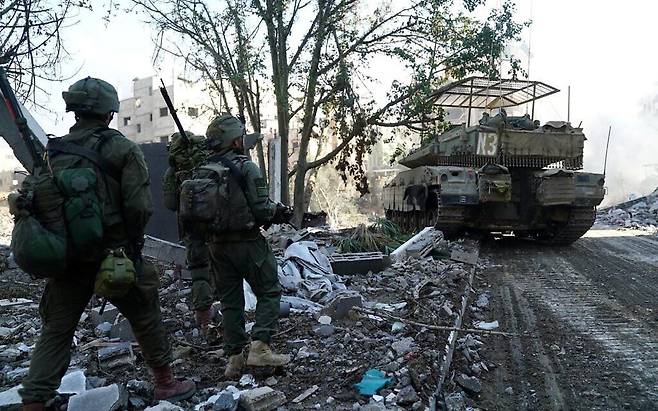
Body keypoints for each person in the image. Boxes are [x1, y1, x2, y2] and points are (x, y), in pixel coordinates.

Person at [18, 77, 195, 410]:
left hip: (69, 258)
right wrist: (130, 242)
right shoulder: (123, 148)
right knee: (145, 315)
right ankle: (166, 382)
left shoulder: (53, 151)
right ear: (109, 112)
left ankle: (34, 401)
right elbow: (140, 207)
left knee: (56, 330)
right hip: (116, 255)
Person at [204, 114, 291, 378]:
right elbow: (262, 210)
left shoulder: (203, 170)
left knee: (230, 301)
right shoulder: (246, 167)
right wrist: (279, 212)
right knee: (269, 291)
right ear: (236, 141)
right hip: (247, 243)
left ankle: (234, 359)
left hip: (216, 247)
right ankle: (260, 348)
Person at [163, 132, 214, 329]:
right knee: (225, 271)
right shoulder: (210, 163)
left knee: (199, 274)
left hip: (191, 229)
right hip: (217, 226)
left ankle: (204, 321)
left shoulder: (173, 172)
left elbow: (170, 204)